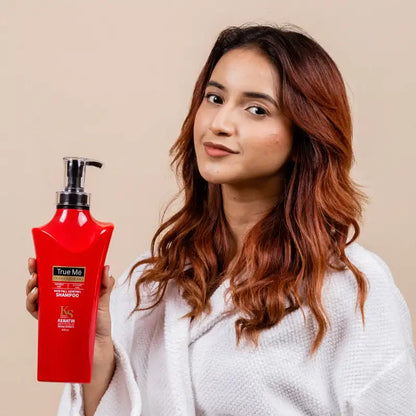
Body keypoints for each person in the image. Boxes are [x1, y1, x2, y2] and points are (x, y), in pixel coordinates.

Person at [26, 23, 416, 415]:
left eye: (257, 109)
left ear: (303, 138)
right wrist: (96, 354)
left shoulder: (352, 290)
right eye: (214, 98)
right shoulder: (149, 285)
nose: (219, 123)